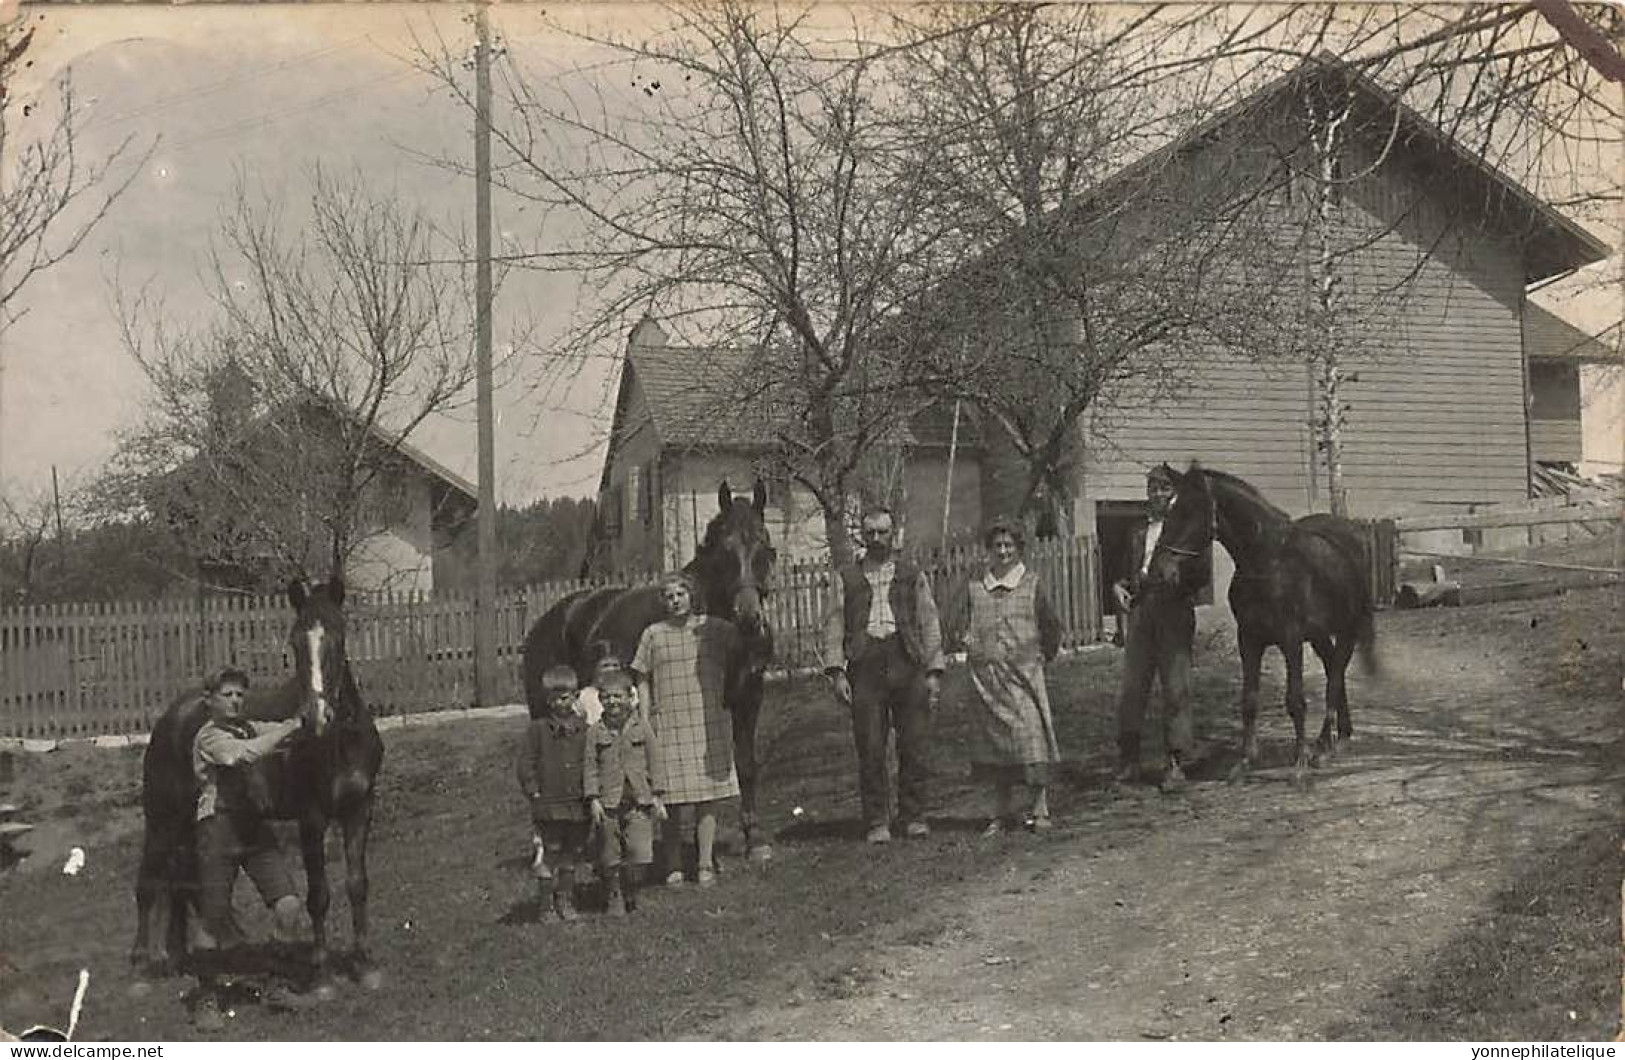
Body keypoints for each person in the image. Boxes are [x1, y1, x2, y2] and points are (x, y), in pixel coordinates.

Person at [821, 507, 946, 844]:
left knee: (913, 744)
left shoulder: (911, 573)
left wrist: (933, 671)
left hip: (906, 660)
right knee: (871, 746)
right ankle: (877, 819)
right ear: (862, 536)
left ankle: (914, 815)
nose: (876, 539)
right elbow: (833, 624)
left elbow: (929, 620)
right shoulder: (846, 576)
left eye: (883, 532)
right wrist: (836, 673)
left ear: (894, 534)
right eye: (870, 533)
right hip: (865, 666)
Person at [190, 667, 304, 1030]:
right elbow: (239, 756)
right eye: (227, 694)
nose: (236, 700)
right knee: (213, 917)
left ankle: (275, 984)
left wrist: (304, 721)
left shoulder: (248, 728)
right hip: (218, 829)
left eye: (240, 694)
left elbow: (278, 732)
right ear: (209, 700)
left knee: (288, 905)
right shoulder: (209, 736)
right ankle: (206, 1000)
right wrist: (287, 729)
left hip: (252, 828)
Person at [632, 572, 740, 888]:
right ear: (662, 602)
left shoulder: (713, 629)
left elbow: (744, 641)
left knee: (707, 796)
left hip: (707, 722)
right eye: (669, 596)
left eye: (681, 594)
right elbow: (641, 677)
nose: (675, 600)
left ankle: (705, 862)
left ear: (691, 596)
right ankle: (674, 864)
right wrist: (644, 716)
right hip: (668, 721)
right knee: (672, 799)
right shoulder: (652, 634)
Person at [961, 518, 1063, 835]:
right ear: (989, 550)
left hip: (1024, 677)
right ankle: (1000, 812)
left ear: (1018, 549)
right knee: (995, 745)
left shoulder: (1032, 583)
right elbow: (957, 622)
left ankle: (1040, 808)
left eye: (1009, 546)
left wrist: (1042, 655)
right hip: (988, 680)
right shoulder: (976, 586)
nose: (1003, 551)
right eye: (997, 546)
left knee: (1031, 739)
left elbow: (1051, 627)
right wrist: (970, 643)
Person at [1113, 465, 1211, 792]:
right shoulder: (1138, 531)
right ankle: (1130, 761)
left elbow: (1201, 576)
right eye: (1153, 489)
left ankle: (1176, 763)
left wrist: (1178, 581)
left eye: (1164, 489)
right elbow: (1125, 574)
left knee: (1175, 687)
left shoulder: (1187, 530)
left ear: (1174, 494)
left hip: (1173, 610)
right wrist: (1119, 587)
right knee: (1132, 688)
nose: (1157, 495)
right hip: (1141, 612)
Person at [583, 669, 668, 917]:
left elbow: (655, 761)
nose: (613, 702)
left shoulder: (642, 728)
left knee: (641, 853)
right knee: (610, 854)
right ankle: (614, 894)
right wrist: (593, 798)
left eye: (618, 696)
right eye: (607, 697)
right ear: (599, 700)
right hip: (609, 802)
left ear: (631, 697)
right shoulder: (595, 732)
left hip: (639, 800)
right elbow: (589, 766)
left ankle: (631, 887)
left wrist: (657, 794)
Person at [516, 665, 592, 922]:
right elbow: (526, 763)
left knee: (571, 853)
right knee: (550, 851)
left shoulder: (584, 729)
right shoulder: (537, 730)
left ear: (576, 696)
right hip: (549, 803)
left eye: (566, 697)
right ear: (547, 699)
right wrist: (534, 791)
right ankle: (546, 905)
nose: (560, 703)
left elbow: (591, 762)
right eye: (554, 698)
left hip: (577, 803)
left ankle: (565, 899)